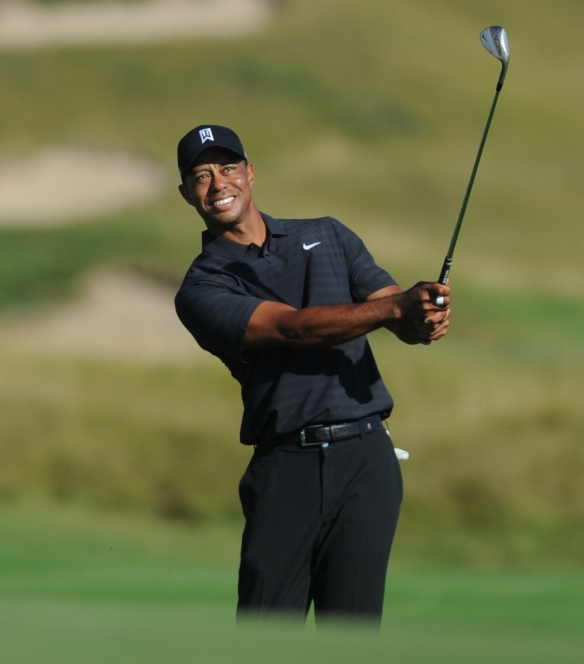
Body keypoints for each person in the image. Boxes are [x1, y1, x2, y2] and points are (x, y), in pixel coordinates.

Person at [173, 124, 449, 625]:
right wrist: (398, 309)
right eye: (201, 176)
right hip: (286, 467)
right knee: (267, 639)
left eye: (229, 168)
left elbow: (394, 313)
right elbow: (294, 330)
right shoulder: (202, 287)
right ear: (186, 193)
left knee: (351, 639)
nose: (218, 184)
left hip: (366, 456)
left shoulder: (327, 234)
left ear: (251, 172)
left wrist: (422, 315)